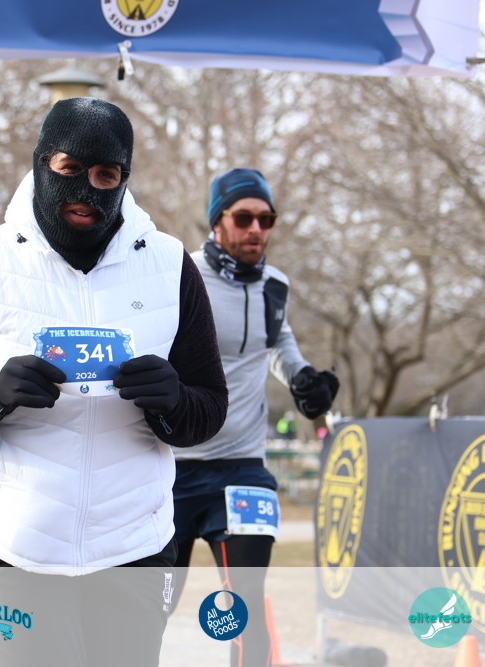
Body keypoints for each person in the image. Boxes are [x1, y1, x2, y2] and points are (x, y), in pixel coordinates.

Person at [0, 97, 228, 666]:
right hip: (12, 544)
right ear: (41, 162)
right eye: (70, 168)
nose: (86, 190)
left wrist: (173, 402)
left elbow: (210, 406)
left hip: (134, 544)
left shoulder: (171, 266)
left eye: (107, 175)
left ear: (125, 177)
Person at [171, 167, 339, 667]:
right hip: (170, 469)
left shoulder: (274, 286)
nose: (256, 230)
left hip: (244, 468)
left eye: (267, 220)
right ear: (217, 220)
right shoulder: (179, 276)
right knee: (151, 608)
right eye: (244, 217)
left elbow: (279, 347)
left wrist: (306, 382)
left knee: (244, 610)